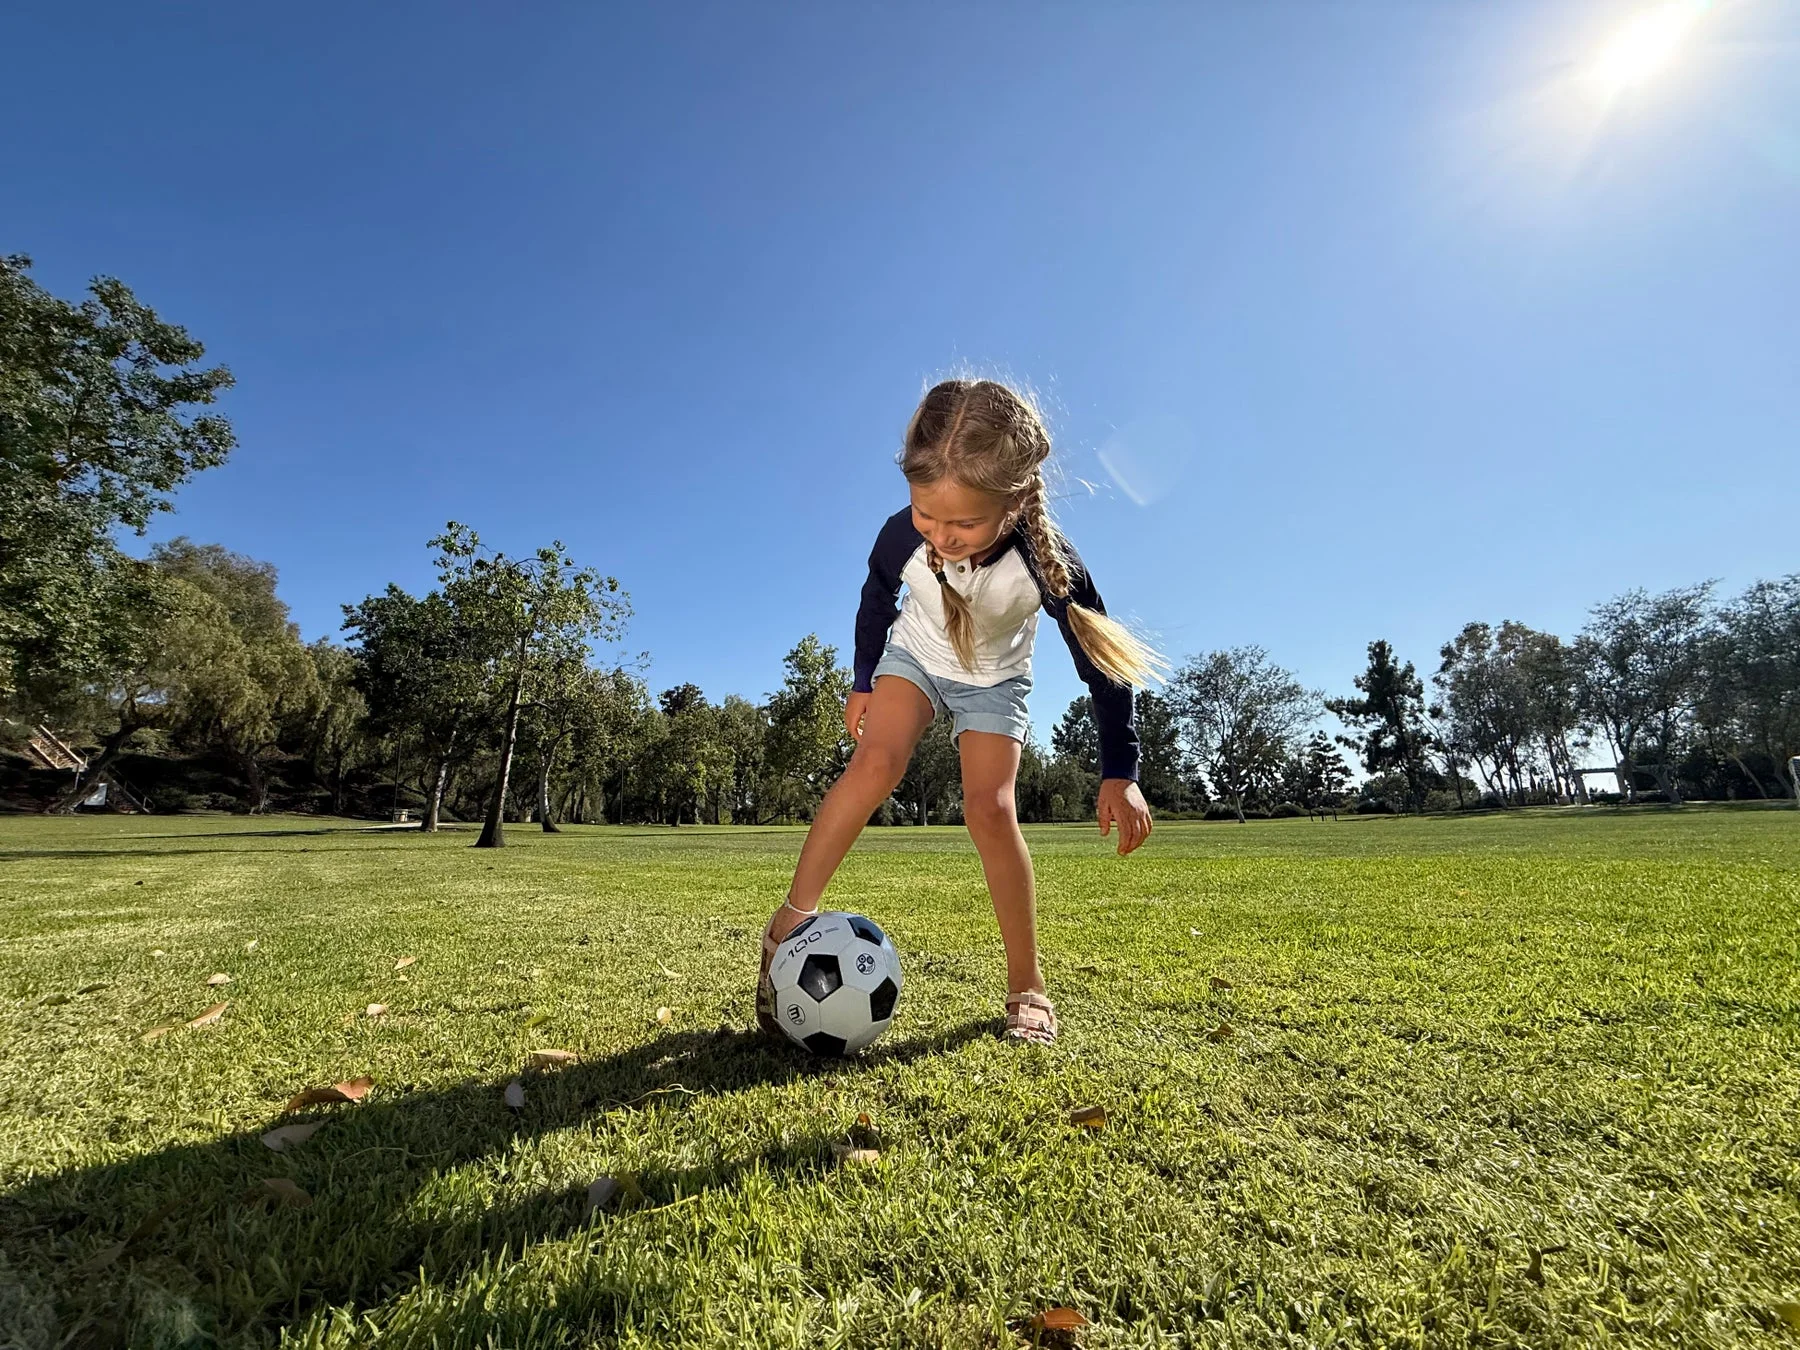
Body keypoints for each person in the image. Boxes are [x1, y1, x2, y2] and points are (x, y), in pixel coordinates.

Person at [757, 378, 1164, 1046]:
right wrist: (863, 680)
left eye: (964, 524)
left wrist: (1121, 771)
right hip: (916, 657)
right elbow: (876, 598)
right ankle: (789, 923)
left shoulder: (1047, 564)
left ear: (1014, 502)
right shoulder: (900, 535)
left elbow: (1102, 664)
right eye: (927, 515)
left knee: (991, 810)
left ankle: (1027, 985)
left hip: (994, 680)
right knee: (875, 765)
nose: (942, 537)